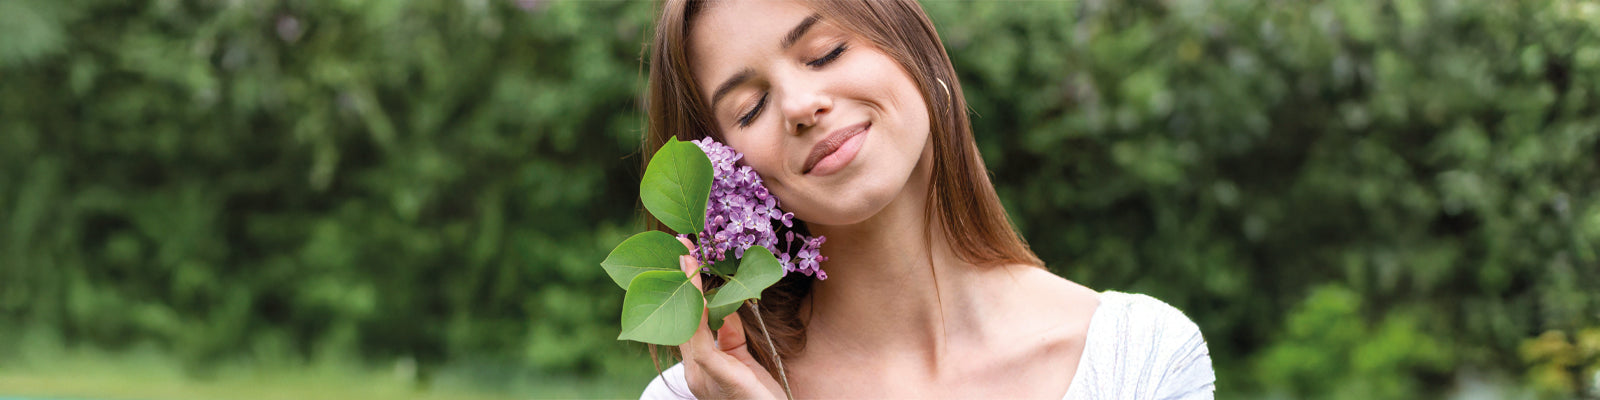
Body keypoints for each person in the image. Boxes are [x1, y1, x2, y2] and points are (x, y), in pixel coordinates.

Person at [637, 0, 1215, 398]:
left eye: (825, 51)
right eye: (749, 109)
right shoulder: (708, 393)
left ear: (912, 46)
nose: (798, 104)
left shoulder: (1137, 359)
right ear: (721, 169)